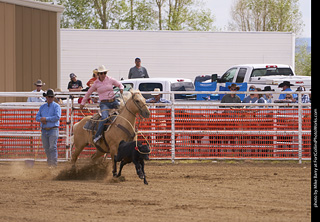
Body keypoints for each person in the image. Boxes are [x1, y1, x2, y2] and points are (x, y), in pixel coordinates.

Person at [80, 65, 124, 144]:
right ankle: (97, 135)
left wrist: (121, 88)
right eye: (101, 73)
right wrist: (83, 102)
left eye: (104, 73)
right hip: (104, 104)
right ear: (98, 74)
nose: (103, 75)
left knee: (124, 111)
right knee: (104, 117)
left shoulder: (110, 79)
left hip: (113, 101)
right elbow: (88, 93)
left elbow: (120, 84)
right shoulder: (96, 84)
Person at [36, 89, 61, 168]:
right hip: (45, 130)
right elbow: (37, 117)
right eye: (49, 96)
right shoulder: (42, 107)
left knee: (52, 147)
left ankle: (53, 165)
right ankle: (50, 164)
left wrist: (45, 119)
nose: (50, 98)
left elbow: (57, 117)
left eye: (51, 97)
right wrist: (41, 119)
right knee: (47, 148)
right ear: (46, 97)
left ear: (53, 98)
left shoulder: (56, 106)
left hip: (53, 129)